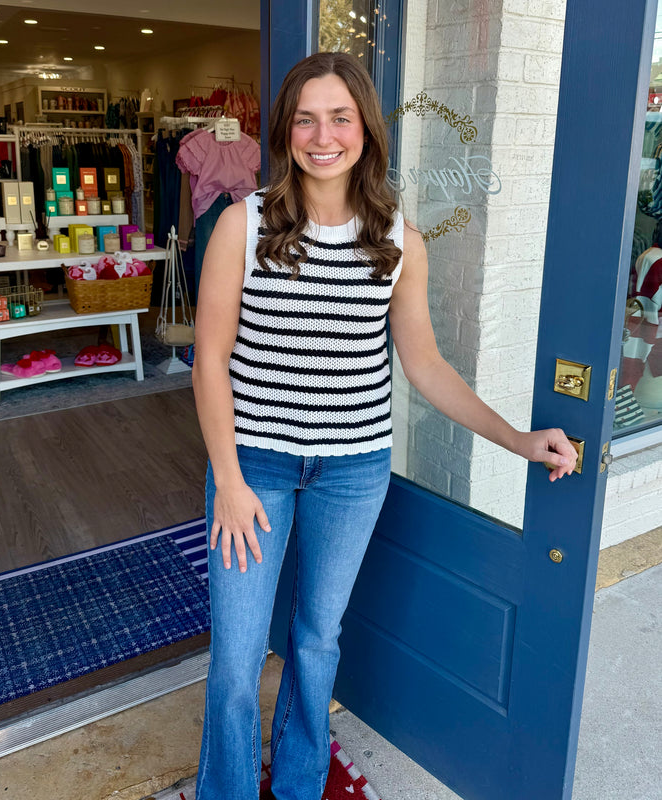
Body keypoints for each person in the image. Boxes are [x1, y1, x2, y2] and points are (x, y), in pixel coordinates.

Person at [191, 51, 577, 800]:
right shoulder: (242, 226)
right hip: (254, 469)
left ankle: (300, 784)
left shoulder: (400, 241)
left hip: (352, 473)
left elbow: (426, 366)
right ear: (285, 129)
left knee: (315, 641)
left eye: (340, 117)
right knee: (236, 658)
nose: (322, 134)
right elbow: (209, 363)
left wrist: (521, 442)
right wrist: (230, 482)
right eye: (306, 117)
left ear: (366, 130)